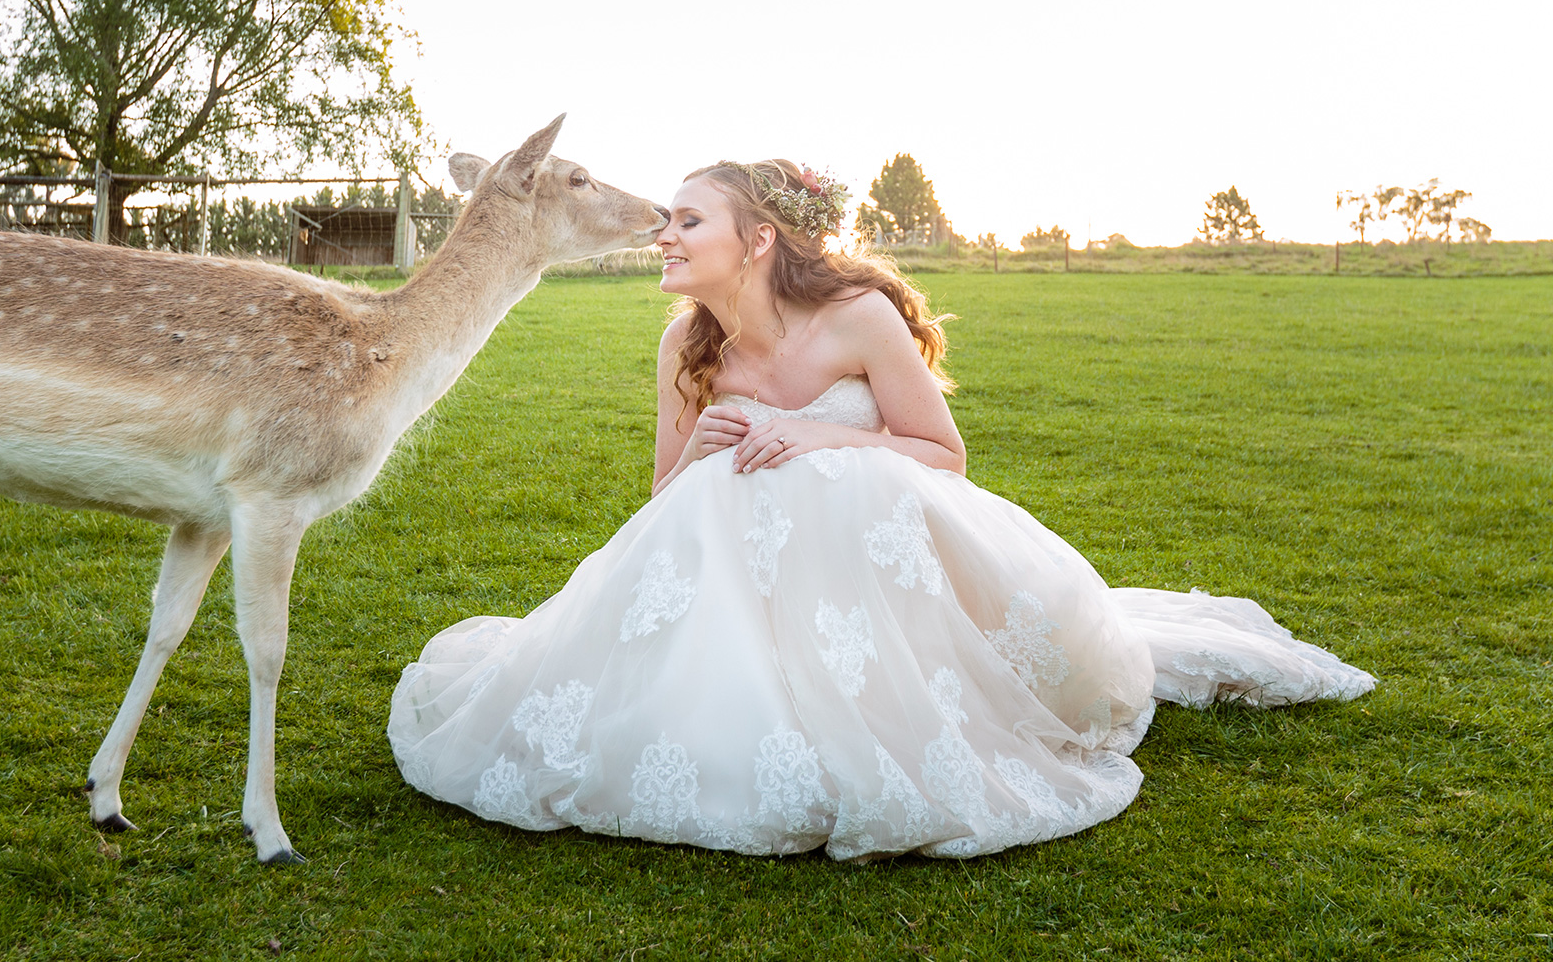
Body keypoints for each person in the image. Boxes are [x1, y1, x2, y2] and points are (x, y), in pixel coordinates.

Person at [387, 160, 1374, 859]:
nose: (665, 233)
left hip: (875, 578)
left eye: (689, 219)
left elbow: (939, 451)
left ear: (757, 238)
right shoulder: (684, 349)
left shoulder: (855, 318)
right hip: (740, 587)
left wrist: (820, 435)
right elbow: (660, 502)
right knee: (713, 511)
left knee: (840, 478)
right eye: (669, 220)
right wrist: (704, 444)